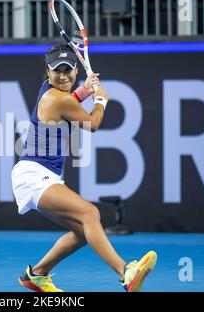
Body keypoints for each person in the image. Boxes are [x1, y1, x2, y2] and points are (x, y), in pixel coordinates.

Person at [11, 44, 156, 292]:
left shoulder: (53, 92)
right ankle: (125, 272)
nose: (64, 75)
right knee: (90, 214)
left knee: (82, 231)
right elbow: (93, 123)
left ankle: (36, 274)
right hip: (33, 175)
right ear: (48, 70)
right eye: (58, 70)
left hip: (42, 175)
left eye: (68, 70)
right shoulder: (56, 98)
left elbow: (70, 101)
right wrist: (100, 100)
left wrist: (86, 90)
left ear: (76, 68)